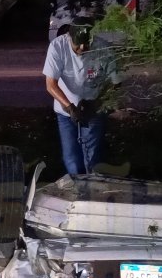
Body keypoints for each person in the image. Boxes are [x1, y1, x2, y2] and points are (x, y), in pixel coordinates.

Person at [42, 16, 120, 175]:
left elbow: (116, 82)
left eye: (88, 43)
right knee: (71, 157)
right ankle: (77, 187)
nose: (84, 47)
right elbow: (51, 84)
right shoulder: (57, 47)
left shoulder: (103, 49)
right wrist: (70, 107)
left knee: (92, 157)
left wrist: (96, 103)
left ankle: (94, 187)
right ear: (70, 37)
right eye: (79, 44)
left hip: (94, 108)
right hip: (66, 111)